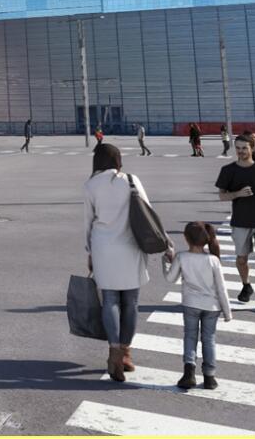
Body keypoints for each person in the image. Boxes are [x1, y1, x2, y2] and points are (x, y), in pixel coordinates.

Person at [85, 142, 163, 382]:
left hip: (103, 246)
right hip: (130, 245)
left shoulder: (91, 184)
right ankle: (127, 354)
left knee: (109, 300)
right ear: (118, 160)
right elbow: (148, 212)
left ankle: (114, 352)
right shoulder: (131, 180)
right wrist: (166, 244)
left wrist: (89, 251)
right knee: (131, 301)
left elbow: (88, 221)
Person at [216, 133, 255, 315]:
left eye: (244, 148)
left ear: (252, 148)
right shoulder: (228, 170)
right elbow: (222, 195)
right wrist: (237, 194)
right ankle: (246, 285)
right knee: (241, 259)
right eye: (237, 148)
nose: (241, 151)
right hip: (241, 221)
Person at [164, 221, 232, 391]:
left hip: (191, 304)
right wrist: (227, 312)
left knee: (190, 336)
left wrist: (167, 261)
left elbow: (170, 279)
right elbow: (221, 288)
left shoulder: (181, 257)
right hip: (212, 306)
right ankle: (210, 377)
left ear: (186, 239)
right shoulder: (213, 260)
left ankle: (189, 373)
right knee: (209, 339)